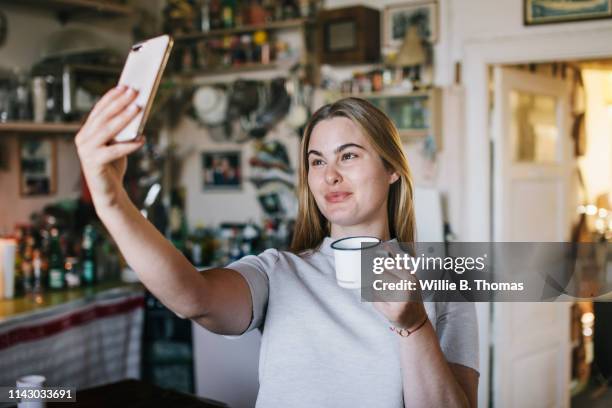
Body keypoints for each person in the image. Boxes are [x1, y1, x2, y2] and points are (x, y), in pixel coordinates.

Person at [75, 85, 479, 408]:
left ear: (391, 168)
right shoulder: (279, 272)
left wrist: (414, 326)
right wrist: (110, 199)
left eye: (348, 156)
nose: (329, 176)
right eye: (317, 162)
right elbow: (192, 297)